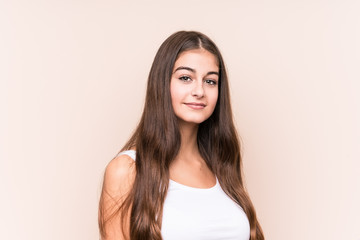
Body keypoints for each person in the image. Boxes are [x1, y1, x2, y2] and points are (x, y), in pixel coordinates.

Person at [98, 31, 264, 240]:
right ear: (162, 84)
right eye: (186, 78)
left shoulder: (221, 166)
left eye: (210, 81)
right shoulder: (127, 170)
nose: (199, 91)